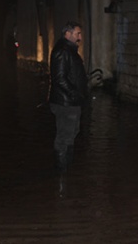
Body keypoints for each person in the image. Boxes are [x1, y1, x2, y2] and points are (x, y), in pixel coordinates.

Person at [48, 21, 88, 172]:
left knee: (72, 131)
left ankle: (67, 167)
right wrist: (75, 93)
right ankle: (61, 170)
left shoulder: (69, 50)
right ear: (68, 34)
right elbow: (60, 78)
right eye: (77, 34)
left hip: (71, 101)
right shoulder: (63, 51)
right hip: (65, 103)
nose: (80, 37)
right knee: (65, 135)